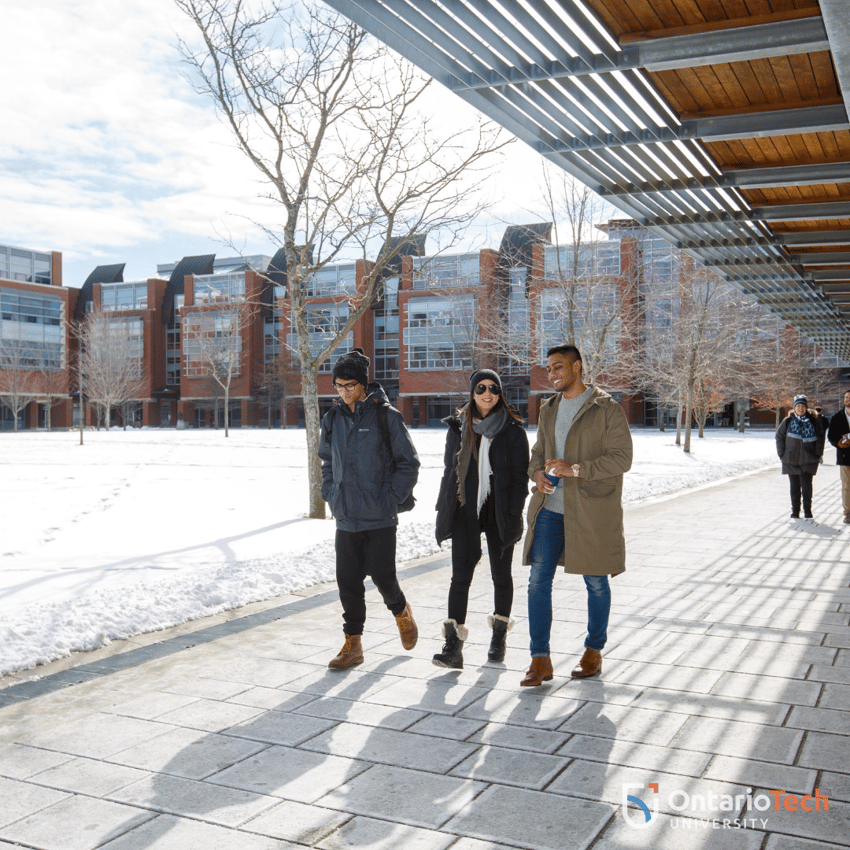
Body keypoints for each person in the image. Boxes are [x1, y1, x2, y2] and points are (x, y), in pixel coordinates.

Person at [520, 344, 633, 687]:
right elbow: (538, 452)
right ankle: (540, 659)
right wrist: (536, 473)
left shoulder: (607, 409)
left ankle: (593, 651)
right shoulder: (549, 409)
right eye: (549, 369)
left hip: (591, 512)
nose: (551, 374)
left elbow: (621, 458)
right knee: (538, 582)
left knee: (596, 582)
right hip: (550, 511)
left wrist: (576, 469)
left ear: (577, 367)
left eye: (558, 367)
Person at [319, 347, 420, 669]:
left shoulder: (385, 416)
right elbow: (325, 462)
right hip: (346, 515)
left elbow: (408, 463)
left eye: (350, 386)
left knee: (382, 576)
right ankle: (353, 646)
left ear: (363, 384)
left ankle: (401, 612)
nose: (344, 392)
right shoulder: (332, 418)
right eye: (338, 386)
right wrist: (330, 492)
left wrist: (388, 498)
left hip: (379, 515)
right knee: (347, 582)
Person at [433, 369, 529, 668]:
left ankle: (498, 638)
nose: (487, 394)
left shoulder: (513, 431)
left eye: (493, 389)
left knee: (501, 575)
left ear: (500, 394)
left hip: (499, 512)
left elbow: (519, 479)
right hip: (465, 509)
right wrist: (443, 509)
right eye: (481, 388)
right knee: (460, 576)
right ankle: (453, 646)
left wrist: (513, 514)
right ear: (472, 393)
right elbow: (451, 472)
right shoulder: (458, 428)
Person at [776, 394, 824, 520]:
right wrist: (782, 454)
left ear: (806, 407)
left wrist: (817, 455)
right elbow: (779, 437)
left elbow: (820, 438)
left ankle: (807, 511)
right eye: (798, 406)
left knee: (807, 487)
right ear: (794, 408)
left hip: (808, 460)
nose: (801, 408)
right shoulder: (787, 421)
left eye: (803, 406)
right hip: (791, 460)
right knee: (794, 488)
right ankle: (795, 511)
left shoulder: (814, 421)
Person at [827, 390, 850, 524]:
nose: (847, 400)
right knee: (847, 486)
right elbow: (831, 436)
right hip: (845, 456)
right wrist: (838, 443)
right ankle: (847, 513)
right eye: (846, 397)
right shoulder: (837, 417)